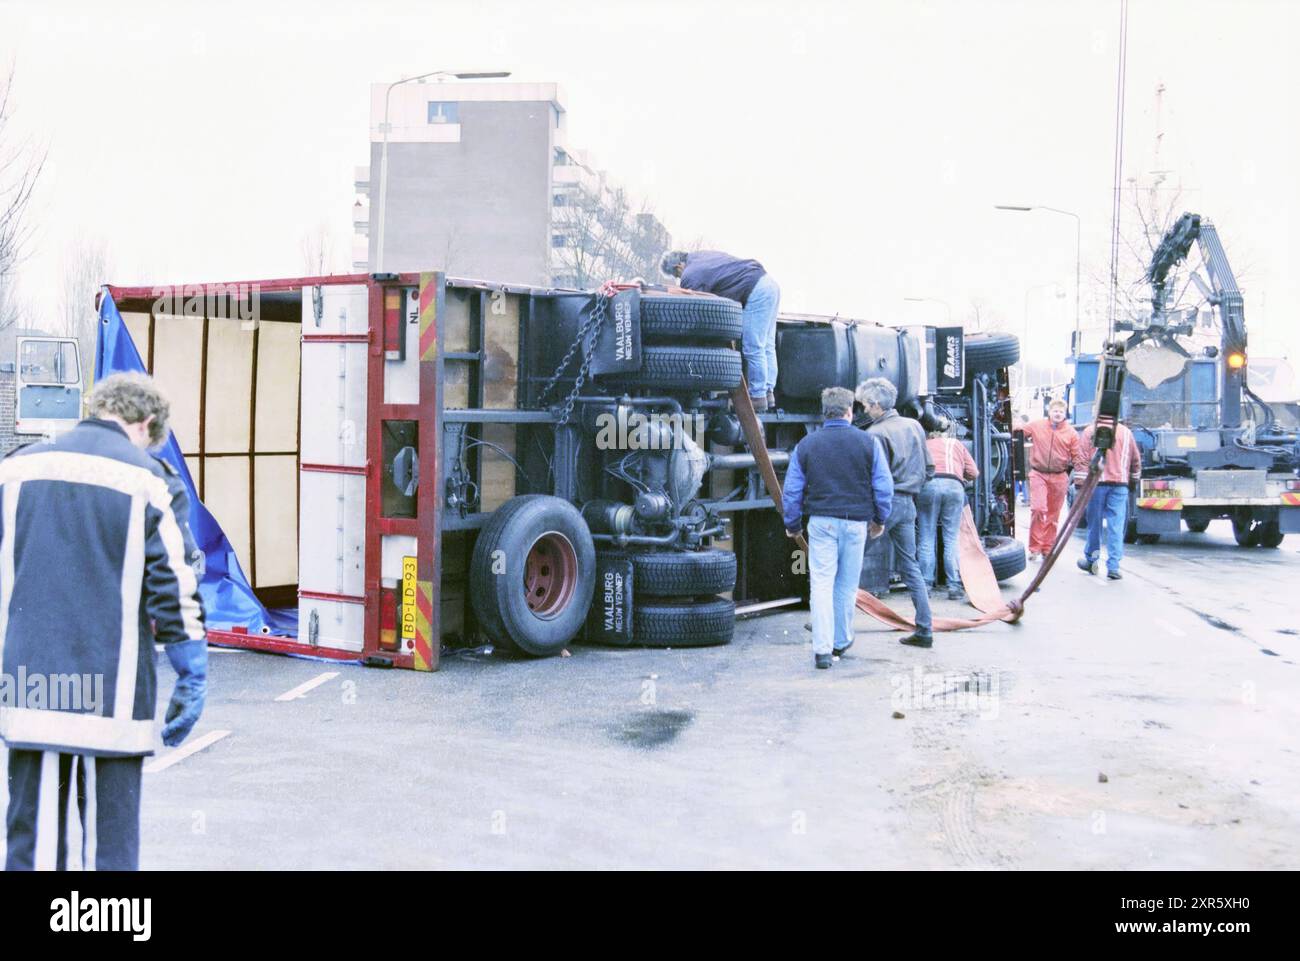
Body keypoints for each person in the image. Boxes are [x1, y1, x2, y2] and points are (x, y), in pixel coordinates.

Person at [1, 373, 208, 870]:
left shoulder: (16, 471)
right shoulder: (150, 480)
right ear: (147, 423)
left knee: (32, 843)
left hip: (30, 690)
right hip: (111, 696)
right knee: (110, 845)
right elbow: (173, 586)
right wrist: (191, 673)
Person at [782, 387, 893, 669]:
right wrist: (879, 520)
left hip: (820, 523)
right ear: (849, 412)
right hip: (856, 523)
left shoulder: (807, 445)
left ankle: (821, 650)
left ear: (824, 413)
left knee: (820, 583)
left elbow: (792, 490)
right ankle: (840, 642)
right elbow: (883, 487)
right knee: (846, 584)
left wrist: (792, 525)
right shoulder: (868, 442)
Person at [857, 377, 935, 648]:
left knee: (850, 563)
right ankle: (925, 629)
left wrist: (876, 513)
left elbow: (875, 479)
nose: (864, 410)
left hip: (885, 504)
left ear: (876, 405)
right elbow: (930, 468)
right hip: (908, 504)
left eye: (865, 405)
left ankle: (830, 622)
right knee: (910, 567)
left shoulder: (874, 435)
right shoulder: (914, 426)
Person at [661, 249, 781, 411]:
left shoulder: (690, 274)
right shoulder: (702, 256)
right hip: (769, 284)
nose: (679, 278)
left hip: (756, 291)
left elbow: (692, 310)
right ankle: (767, 393)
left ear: (678, 266)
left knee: (753, 347)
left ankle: (758, 397)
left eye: (676, 275)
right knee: (766, 345)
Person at [1075, 418, 1142, 580]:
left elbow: (1082, 459)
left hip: (1096, 485)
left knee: (1094, 524)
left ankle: (1092, 559)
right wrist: (1132, 483)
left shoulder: (1090, 430)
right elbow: (1135, 461)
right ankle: (1113, 566)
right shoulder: (1126, 433)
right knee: (1116, 526)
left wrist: (1079, 485)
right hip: (1120, 485)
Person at [918, 429, 979, 601]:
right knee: (951, 539)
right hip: (954, 486)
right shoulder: (956, 444)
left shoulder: (923, 444)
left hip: (928, 486)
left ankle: (925, 585)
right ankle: (954, 586)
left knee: (926, 539)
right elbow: (974, 473)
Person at [1020, 399, 1081, 561]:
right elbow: (1018, 432)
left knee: (1053, 515)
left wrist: (1082, 474)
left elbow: (1077, 456)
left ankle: (1047, 548)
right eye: (1055, 411)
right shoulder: (1036, 426)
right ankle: (1034, 548)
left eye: (1061, 411)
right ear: (1049, 412)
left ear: (1064, 414)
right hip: (1038, 473)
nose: (1057, 414)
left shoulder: (1071, 433)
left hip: (1060, 476)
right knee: (1039, 509)